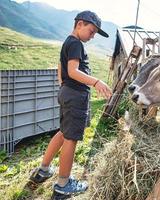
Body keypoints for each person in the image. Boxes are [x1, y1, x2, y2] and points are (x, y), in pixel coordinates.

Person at [29, 10, 112, 197]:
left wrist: (64, 87)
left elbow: (61, 68)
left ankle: (43, 169)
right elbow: (73, 71)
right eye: (91, 31)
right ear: (80, 24)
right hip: (75, 95)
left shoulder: (68, 42)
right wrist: (96, 82)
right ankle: (63, 184)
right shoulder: (75, 43)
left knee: (63, 132)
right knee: (71, 138)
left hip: (67, 92)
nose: (92, 37)